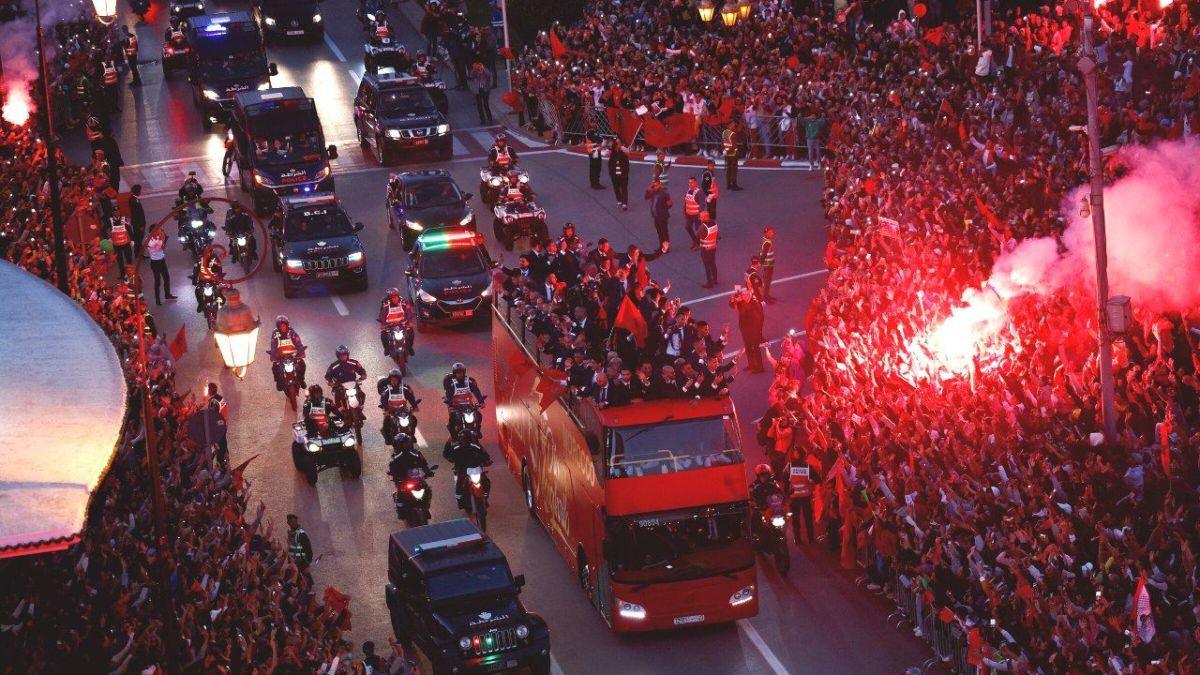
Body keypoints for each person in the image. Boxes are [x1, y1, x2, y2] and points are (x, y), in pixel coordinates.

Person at [442, 428, 491, 508]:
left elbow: (484, 454)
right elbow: (446, 454)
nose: (465, 441)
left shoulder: (476, 446)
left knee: (486, 482)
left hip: (476, 470)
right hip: (462, 470)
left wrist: (487, 461)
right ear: (460, 439)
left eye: (467, 439)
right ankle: (460, 501)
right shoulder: (456, 447)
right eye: (463, 439)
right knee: (459, 483)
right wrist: (448, 442)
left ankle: (485, 498)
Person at [784, 448, 818, 545]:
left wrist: (786, 494)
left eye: (795, 452)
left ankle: (797, 540)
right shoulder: (807, 466)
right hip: (806, 496)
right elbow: (817, 479)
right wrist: (810, 482)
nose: (793, 453)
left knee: (795, 519)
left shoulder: (789, 466)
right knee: (808, 519)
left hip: (794, 497)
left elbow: (785, 480)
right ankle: (811, 539)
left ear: (797, 454)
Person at [379, 368, 419, 443]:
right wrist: (386, 410)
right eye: (392, 380)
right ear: (390, 380)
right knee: (386, 422)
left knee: (413, 419)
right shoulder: (386, 391)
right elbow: (383, 401)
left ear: (399, 380)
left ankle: (412, 434)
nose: (394, 382)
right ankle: (387, 437)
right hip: (391, 410)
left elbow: (411, 398)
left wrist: (415, 406)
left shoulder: (405, 389)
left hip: (403, 410)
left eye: (395, 380)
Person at [730, 286, 765, 372]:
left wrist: (741, 301)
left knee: (755, 348)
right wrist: (732, 299)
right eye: (743, 295)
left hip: (754, 329)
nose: (743, 296)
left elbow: (749, 310)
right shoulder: (743, 302)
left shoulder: (754, 303)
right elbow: (732, 306)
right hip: (745, 329)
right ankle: (751, 364)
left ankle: (760, 367)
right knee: (748, 347)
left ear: (750, 294)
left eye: (745, 295)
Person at [268, 315, 307, 391]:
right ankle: (279, 382)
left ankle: (301, 379)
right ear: (278, 327)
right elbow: (273, 345)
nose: (283, 327)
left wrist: (301, 353)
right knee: (275, 368)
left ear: (287, 325)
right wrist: (273, 356)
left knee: (302, 365)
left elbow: (298, 343)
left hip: (292, 355)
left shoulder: (292, 332)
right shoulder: (275, 334)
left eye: (284, 325)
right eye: (281, 326)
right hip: (281, 356)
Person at [378, 287, 416, 356]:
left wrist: (409, 321)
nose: (395, 298)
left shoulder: (404, 302)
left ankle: (410, 348)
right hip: (390, 325)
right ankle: (386, 349)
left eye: (396, 296)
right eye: (393, 297)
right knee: (383, 336)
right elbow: (381, 315)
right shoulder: (385, 304)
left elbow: (409, 312)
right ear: (389, 298)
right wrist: (383, 324)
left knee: (411, 334)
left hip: (403, 324)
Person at [144, 229, 176, 305]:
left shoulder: (159, 238)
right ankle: (157, 300)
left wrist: (163, 241)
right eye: (157, 230)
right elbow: (154, 247)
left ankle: (167, 294)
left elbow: (163, 248)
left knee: (166, 278)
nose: (158, 232)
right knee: (157, 281)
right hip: (155, 262)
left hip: (162, 260)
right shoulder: (149, 240)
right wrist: (161, 240)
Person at [645, 178, 673, 250]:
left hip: (662, 216)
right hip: (656, 216)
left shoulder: (664, 193)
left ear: (660, 184)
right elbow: (646, 197)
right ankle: (661, 246)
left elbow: (670, 204)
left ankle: (666, 248)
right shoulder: (653, 192)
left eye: (657, 185)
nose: (655, 187)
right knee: (659, 232)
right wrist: (648, 189)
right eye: (654, 185)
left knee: (664, 232)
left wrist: (663, 208)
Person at [682, 176, 706, 250]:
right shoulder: (689, 190)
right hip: (689, 214)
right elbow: (686, 201)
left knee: (697, 230)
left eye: (692, 182)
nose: (690, 184)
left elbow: (702, 205)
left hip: (696, 215)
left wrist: (700, 215)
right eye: (689, 182)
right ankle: (695, 240)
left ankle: (698, 244)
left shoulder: (699, 192)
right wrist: (684, 211)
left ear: (696, 183)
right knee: (687, 227)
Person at [698, 211, 719, 288]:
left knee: (707, 265)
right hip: (713, 247)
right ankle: (715, 279)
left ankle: (709, 283)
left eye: (701, 217)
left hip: (705, 248)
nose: (700, 218)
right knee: (713, 263)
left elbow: (697, 235)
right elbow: (717, 235)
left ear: (705, 217)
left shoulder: (703, 226)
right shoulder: (714, 223)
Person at [470, 61, 494, 125]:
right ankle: (482, 120)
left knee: (486, 105)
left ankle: (490, 119)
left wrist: (483, 69)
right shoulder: (475, 71)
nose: (478, 67)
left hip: (485, 90)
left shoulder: (485, 71)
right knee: (479, 106)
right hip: (478, 90)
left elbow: (489, 75)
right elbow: (471, 76)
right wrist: (474, 69)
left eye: (479, 65)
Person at [609, 137, 630, 210]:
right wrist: (611, 173)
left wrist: (626, 173)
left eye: (619, 142)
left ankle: (624, 203)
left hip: (623, 174)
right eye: (617, 143)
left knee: (624, 188)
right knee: (616, 188)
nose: (618, 144)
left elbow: (627, 161)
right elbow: (610, 164)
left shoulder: (624, 151)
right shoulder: (612, 152)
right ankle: (619, 199)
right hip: (614, 174)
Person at [759, 226, 777, 303]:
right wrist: (761, 262)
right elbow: (764, 254)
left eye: (772, 232)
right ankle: (766, 298)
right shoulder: (767, 242)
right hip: (768, 264)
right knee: (767, 281)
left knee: (767, 280)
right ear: (766, 233)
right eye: (770, 232)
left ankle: (767, 295)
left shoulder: (765, 239)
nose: (772, 233)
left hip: (768, 263)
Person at [723, 126, 743, 190]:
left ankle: (728, 184)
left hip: (727, 154)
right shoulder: (733, 134)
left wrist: (725, 151)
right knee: (734, 170)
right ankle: (734, 185)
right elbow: (734, 146)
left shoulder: (725, 132)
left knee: (728, 169)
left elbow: (723, 143)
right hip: (733, 154)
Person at [128, 184, 146, 255]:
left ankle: (139, 253)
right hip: (138, 224)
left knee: (138, 239)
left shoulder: (133, 199)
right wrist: (141, 225)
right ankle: (138, 253)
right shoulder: (134, 201)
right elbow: (137, 214)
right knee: (138, 238)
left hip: (137, 223)